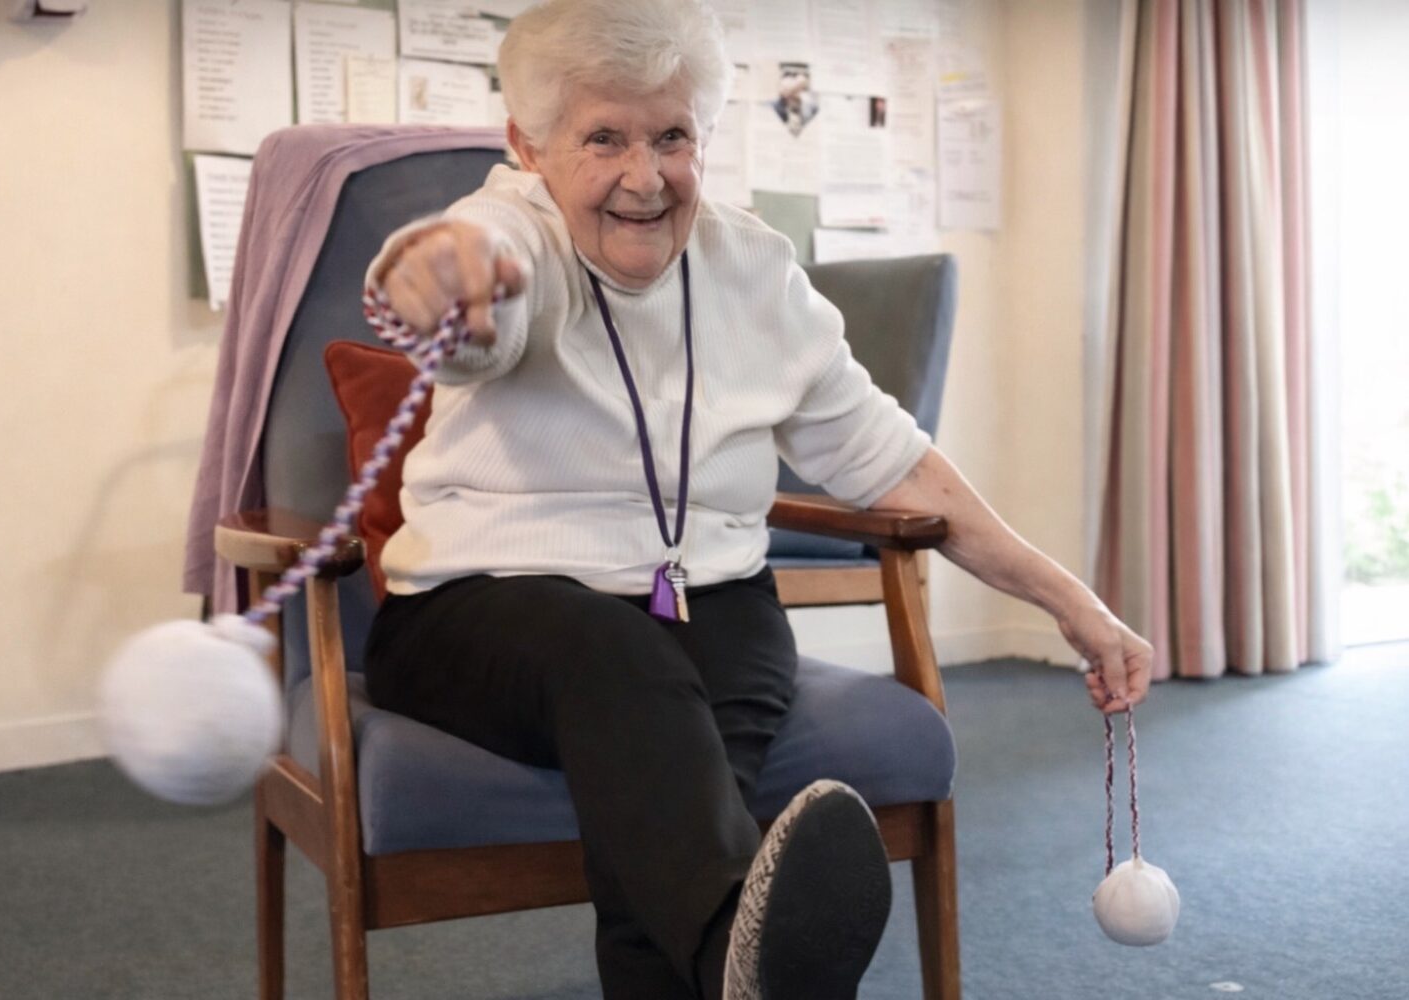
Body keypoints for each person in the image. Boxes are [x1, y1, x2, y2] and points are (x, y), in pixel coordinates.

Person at [362, 2, 1154, 998]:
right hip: (480, 615)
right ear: (529, 145)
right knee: (614, 665)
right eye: (604, 137)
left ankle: (738, 953)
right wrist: (437, 275)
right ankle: (747, 946)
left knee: (671, 827)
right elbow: (474, 296)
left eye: (673, 136)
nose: (645, 177)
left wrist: (1071, 602)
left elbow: (891, 460)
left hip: (710, 606)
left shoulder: (753, 270)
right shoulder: (512, 238)